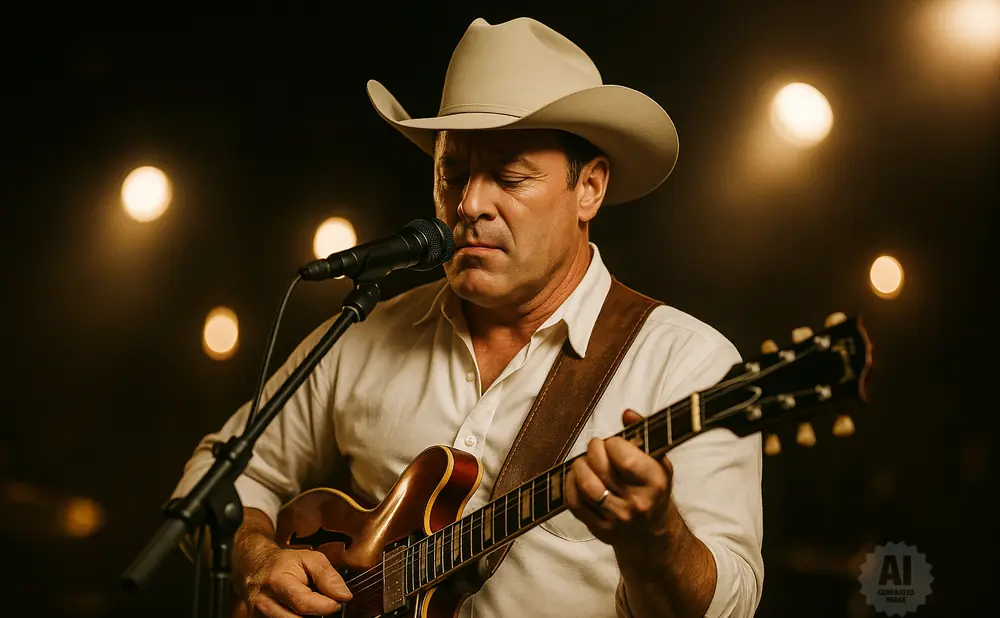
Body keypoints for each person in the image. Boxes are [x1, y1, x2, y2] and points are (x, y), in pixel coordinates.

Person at [171, 16, 763, 618]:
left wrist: (656, 538)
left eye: (510, 176)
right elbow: (212, 483)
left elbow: (733, 605)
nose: (469, 203)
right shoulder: (364, 336)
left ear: (589, 187)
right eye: (452, 173)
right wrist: (258, 558)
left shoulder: (688, 364)